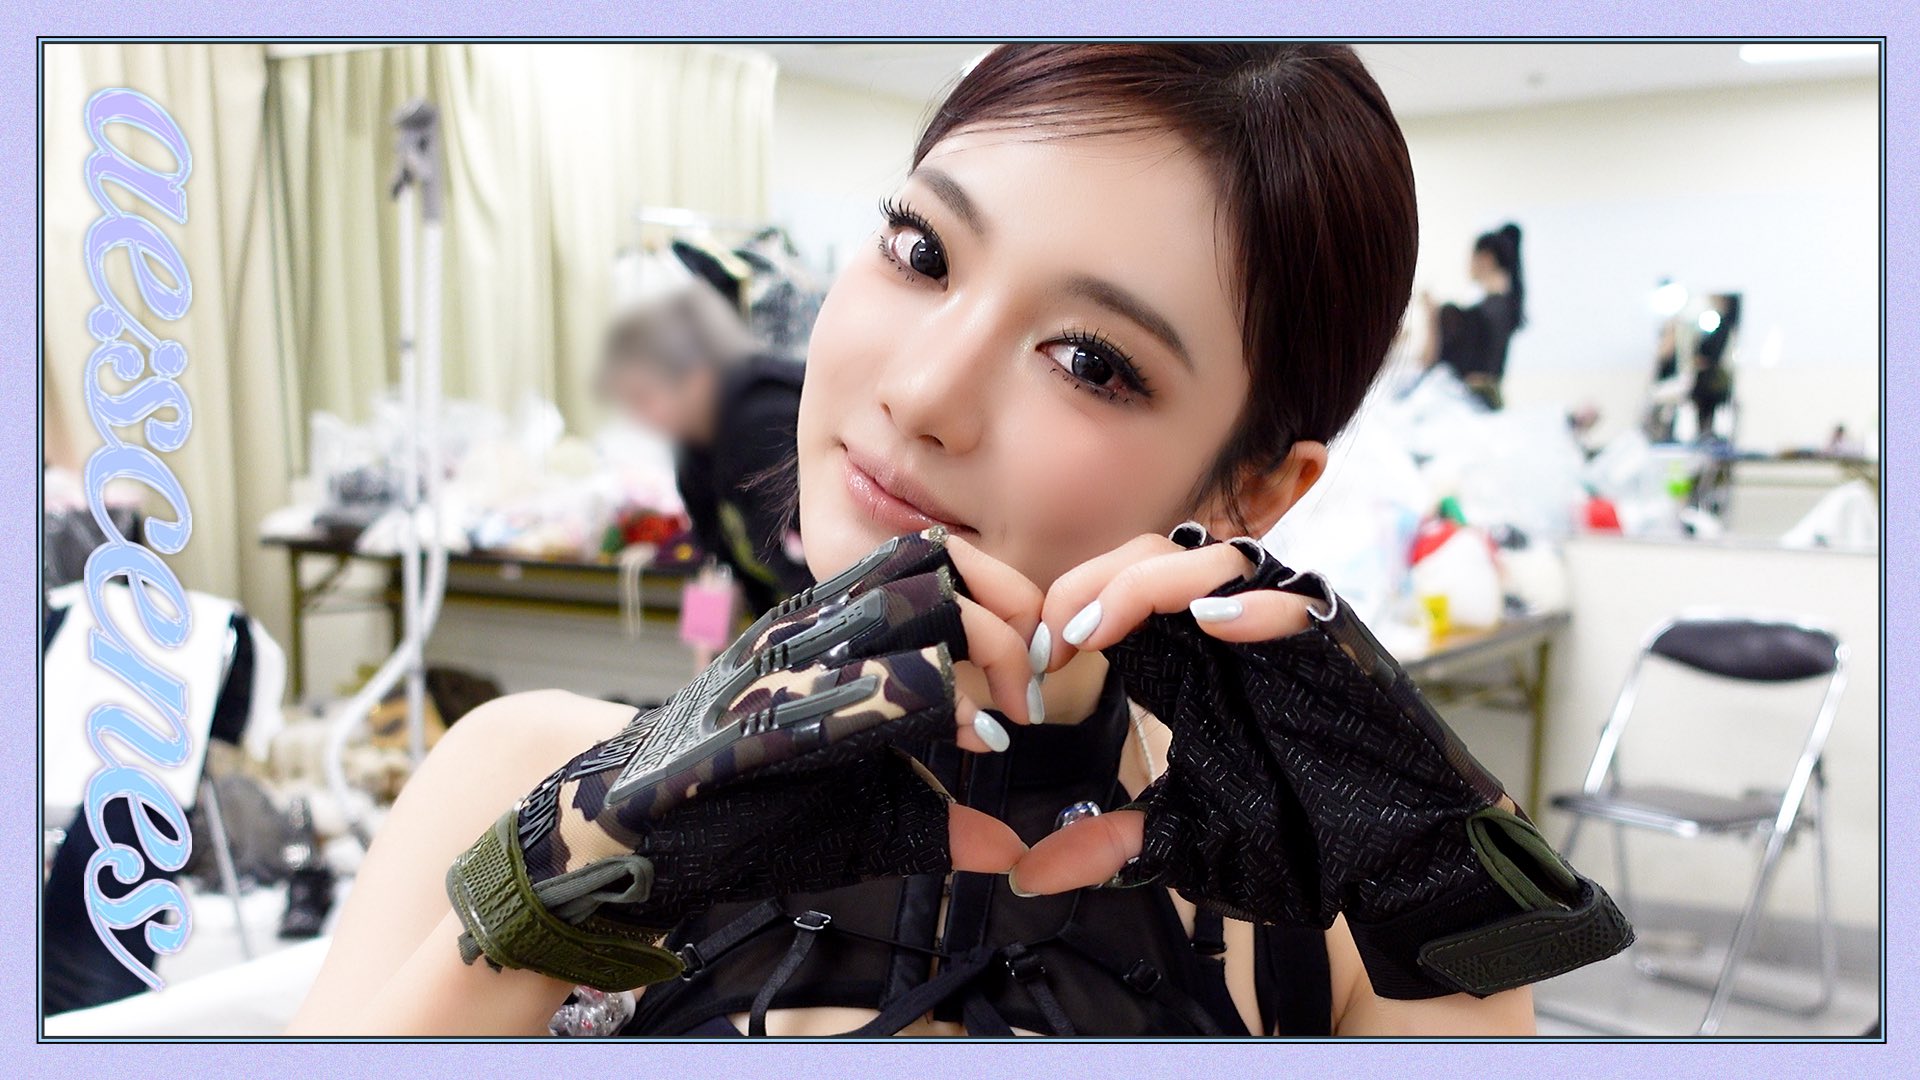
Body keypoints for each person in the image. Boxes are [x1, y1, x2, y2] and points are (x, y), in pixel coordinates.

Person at [287, 44, 1564, 1038]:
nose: (921, 390)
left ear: (1253, 490)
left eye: (1091, 361)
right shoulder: (521, 773)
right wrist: (547, 902)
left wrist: (1452, 904)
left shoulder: (1336, 933)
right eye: (922, 251)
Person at [597, 280, 813, 616]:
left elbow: (812, 567)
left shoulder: (764, 423)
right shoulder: (694, 452)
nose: (640, 419)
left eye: (644, 398)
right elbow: (720, 561)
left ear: (697, 378)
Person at [1420, 223, 1527, 410]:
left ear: (1486, 258)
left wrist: (1432, 317)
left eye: (1471, 258)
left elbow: (1427, 361)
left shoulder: (1470, 316)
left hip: (1465, 404)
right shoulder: (1507, 308)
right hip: (1487, 403)